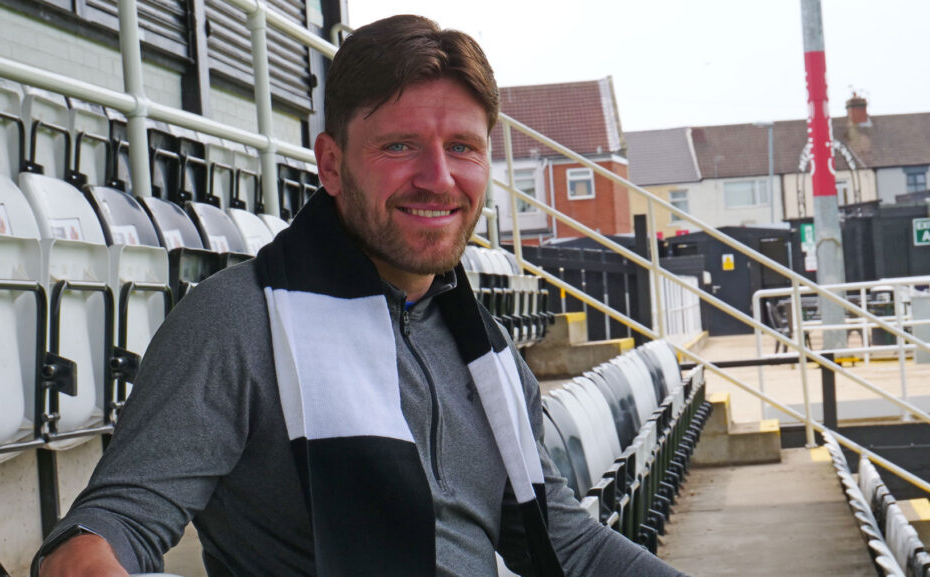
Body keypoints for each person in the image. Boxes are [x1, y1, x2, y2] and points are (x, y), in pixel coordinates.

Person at [34, 14, 686, 577]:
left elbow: (561, 539)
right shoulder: (238, 321)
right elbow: (114, 523)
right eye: (400, 146)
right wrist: (88, 552)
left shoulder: (485, 347)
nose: (438, 178)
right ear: (330, 164)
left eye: (462, 147)